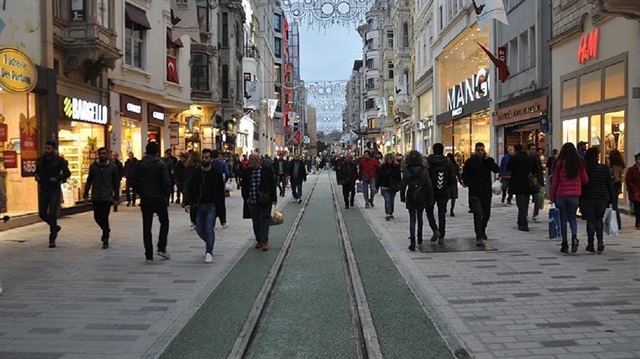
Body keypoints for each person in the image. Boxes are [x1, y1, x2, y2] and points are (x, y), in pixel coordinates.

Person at [131, 142, 172, 263]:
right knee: (164, 222)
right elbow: (166, 182)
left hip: (146, 199)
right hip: (159, 198)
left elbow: (132, 181)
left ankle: (149, 254)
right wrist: (166, 195)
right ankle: (161, 247)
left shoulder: (139, 165)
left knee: (146, 226)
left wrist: (140, 192)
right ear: (157, 151)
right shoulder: (160, 164)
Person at [183, 149, 225, 263]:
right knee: (199, 229)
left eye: (207, 157)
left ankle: (209, 251)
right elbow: (190, 188)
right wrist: (187, 202)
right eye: (203, 157)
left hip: (211, 205)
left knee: (208, 228)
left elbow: (220, 191)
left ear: (211, 159)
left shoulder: (216, 172)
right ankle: (210, 242)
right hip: (198, 205)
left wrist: (222, 212)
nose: (205, 159)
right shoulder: (196, 172)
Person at [549, 142, 589, 254]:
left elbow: (555, 181)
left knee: (563, 219)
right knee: (572, 217)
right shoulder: (579, 163)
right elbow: (585, 180)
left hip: (561, 195)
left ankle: (565, 242)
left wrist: (552, 197)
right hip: (574, 195)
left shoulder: (558, 163)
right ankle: (574, 237)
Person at [462, 142, 500, 247]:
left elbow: (497, 169)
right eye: (478, 150)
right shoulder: (470, 162)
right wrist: (469, 183)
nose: (480, 152)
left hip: (486, 192)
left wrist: (488, 160)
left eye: (482, 150)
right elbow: (465, 175)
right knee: (478, 213)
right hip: (474, 192)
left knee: (486, 214)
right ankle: (478, 236)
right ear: (475, 150)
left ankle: (482, 230)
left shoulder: (488, 161)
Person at [35, 140, 71, 248]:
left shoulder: (59, 161)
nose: (46, 151)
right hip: (43, 189)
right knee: (42, 213)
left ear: (54, 149)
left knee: (52, 214)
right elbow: (36, 171)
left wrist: (57, 178)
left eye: (48, 149)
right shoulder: (41, 159)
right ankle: (55, 227)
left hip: (54, 190)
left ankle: (52, 237)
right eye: (45, 148)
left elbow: (67, 173)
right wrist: (36, 176)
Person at [83, 147, 120, 248]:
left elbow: (116, 183)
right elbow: (89, 181)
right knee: (97, 217)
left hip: (107, 196)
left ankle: (105, 237)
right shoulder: (94, 167)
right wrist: (86, 194)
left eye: (104, 154)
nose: (102, 155)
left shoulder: (113, 167)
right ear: (98, 155)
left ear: (107, 155)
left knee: (104, 216)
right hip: (96, 196)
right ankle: (106, 229)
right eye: (101, 154)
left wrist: (116, 197)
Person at [581, 147, 614, 254]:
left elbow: (582, 184)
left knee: (590, 221)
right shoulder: (604, 168)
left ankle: (590, 244)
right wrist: (612, 198)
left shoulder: (585, 168)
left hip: (588, 197)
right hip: (602, 197)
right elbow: (609, 184)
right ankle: (600, 241)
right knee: (599, 219)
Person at [242, 153, 277, 251]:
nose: (248, 161)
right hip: (252, 201)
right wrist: (246, 198)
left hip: (265, 200)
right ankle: (259, 240)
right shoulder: (246, 172)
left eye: (250, 159)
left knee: (264, 220)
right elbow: (244, 186)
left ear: (256, 160)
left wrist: (274, 198)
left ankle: (264, 241)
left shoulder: (266, 170)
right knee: (256, 221)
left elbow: (272, 184)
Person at [400, 150, 433, 251]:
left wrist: (402, 197)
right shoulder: (424, 170)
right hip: (421, 195)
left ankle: (412, 241)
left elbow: (403, 185)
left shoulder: (407, 171)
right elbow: (429, 185)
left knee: (412, 218)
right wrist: (431, 198)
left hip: (410, 195)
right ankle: (420, 237)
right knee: (420, 217)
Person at [426, 143, 455, 245]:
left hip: (431, 191)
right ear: (442, 150)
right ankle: (442, 236)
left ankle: (435, 230)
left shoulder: (428, 161)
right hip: (443, 191)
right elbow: (452, 178)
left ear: (433, 150)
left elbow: (425, 176)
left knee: (429, 211)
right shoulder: (447, 162)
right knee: (442, 214)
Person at [507, 144, 535, 232]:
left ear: (515, 149)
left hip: (517, 183)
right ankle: (520, 221)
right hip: (526, 183)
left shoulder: (513, 158)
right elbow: (531, 168)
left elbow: (508, 168)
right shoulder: (527, 157)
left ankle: (523, 224)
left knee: (521, 205)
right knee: (525, 204)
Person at [376, 153, 401, 220]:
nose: (389, 160)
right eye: (388, 158)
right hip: (385, 186)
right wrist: (377, 186)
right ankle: (388, 213)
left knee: (391, 200)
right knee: (387, 200)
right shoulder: (383, 167)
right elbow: (379, 177)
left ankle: (391, 212)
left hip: (393, 186)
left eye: (390, 158)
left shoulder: (396, 167)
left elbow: (398, 177)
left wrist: (399, 185)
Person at [211, 149, 230, 228]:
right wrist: (225, 180)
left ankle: (212, 223)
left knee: (212, 204)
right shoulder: (222, 164)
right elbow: (227, 173)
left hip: (210, 186)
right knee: (221, 204)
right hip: (220, 185)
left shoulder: (209, 163)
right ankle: (223, 222)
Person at [183, 151, 201, 230]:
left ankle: (193, 222)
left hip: (190, 188)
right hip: (198, 188)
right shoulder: (199, 166)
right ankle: (198, 220)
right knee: (198, 205)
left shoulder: (188, 166)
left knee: (192, 205)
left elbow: (185, 178)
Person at [528, 143, 545, 222]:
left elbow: (539, 170)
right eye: (532, 149)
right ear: (529, 150)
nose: (534, 151)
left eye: (535, 149)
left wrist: (541, 181)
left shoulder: (537, 157)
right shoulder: (526, 157)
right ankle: (525, 214)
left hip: (536, 180)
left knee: (537, 198)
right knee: (526, 198)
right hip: (527, 181)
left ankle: (535, 214)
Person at [608, 149, 625, 230]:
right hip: (617, 186)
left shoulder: (614, 167)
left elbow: (615, 178)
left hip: (614, 187)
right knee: (615, 205)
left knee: (614, 206)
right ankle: (618, 223)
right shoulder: (620, 166)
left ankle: (617, 223)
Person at [625, 153, 640, 230]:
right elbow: (628, 180)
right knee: (637, 207)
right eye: (638, 159)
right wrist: (634, 190)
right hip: (636, 192)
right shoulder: (631, 169)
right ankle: (638, 222)